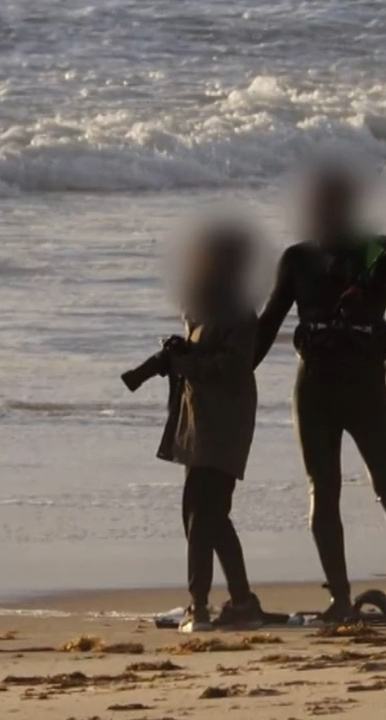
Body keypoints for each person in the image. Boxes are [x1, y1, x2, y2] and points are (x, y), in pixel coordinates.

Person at [255, 163, 386, 622]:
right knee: (324, 490)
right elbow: (266, 331)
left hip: (365, 388)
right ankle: (340, 600)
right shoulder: (297, 259)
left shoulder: (378, 251)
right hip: (314, 386)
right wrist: (228, 375)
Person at [147, 221, 265, 632]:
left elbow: (233, 367)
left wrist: (186, 362)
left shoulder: (237, 312)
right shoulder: (201, 304)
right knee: (210, 516)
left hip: (225, 422)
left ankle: (197, 607)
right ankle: (243, 600)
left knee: (202, 514)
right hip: (197, 421)